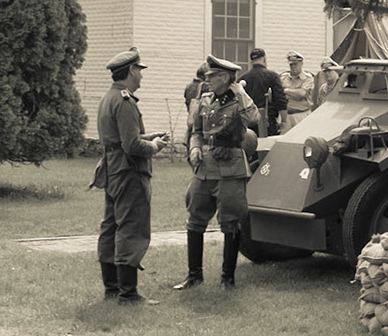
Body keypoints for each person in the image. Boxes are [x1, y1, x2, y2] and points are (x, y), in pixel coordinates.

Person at [173, 55, 261, 290]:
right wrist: (194, 148)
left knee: (230, 222)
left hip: (231, 168)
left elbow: (254, 118)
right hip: (205, 167)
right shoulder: (204, 99)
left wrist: (239, 91)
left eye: (212, 76)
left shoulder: (238, 101)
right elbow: (196, 131)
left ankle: (227, 279)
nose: (207, 80)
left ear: (225, 77)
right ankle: (194, 276)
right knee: (195, 217)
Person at [95, 48, 170, 304]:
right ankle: (128, 293)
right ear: (130, 72)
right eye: (139, 70)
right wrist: (154, 146)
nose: (141, 76)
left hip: (113, 169)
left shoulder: (109, 97)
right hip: (129, 172)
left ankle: (112, 288)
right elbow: (131, 146)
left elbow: (119, 138)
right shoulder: (125, 101)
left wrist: (148, 136)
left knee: (111, 225)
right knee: (131, 228)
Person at [240, 48, 288, 138]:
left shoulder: (243, 78)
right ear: (264, 59)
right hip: (268, 122)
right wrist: (284, 121)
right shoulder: (272, 76)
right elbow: (280, 100)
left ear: (251, 61)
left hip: (248, 123)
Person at [279, 52, 315, 128]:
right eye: (291, 64)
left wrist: (286, 91)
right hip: (287, 116)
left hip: (301, 114)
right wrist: (294, 93)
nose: (293, 67)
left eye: (295, 64)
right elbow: (279, 95)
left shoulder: (308, 78)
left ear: (301, 64)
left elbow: (302, 93)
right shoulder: (283, 78)